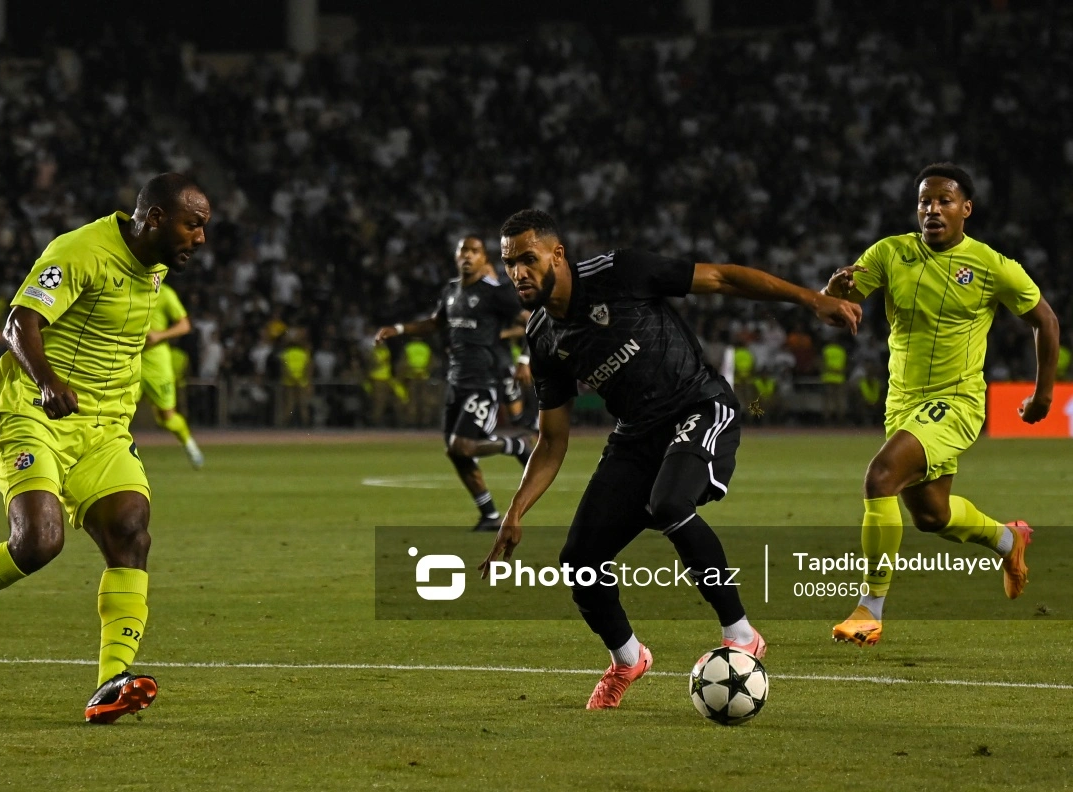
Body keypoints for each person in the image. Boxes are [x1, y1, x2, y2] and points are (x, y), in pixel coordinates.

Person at [479, 209, 861, 709]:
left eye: (527, 259)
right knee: (579, 561)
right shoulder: (543, 337)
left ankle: (742, 634)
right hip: (637, 437)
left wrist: (812, 299)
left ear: (557, 254)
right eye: (509, 263)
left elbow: (721, 277)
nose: (517, 273)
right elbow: (552, 441)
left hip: (699, 405)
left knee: (668, 504)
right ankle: (628, 658)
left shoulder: (619, 272)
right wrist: (515, 511)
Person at [0, 173, 210, 724]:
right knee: (38, 541)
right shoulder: (79, 249)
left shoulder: (155, 266)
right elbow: (20, 321)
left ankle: (112, 680)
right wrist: (46, 380)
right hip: (32, 412)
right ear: (154, 217)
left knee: (131, 529)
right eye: (193, 225)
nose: (200, 239)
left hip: (102, 428)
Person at [824, 163, 1059, 647]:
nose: (932, 209)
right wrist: (835, 292)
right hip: (902, 402)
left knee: (880, 477)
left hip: (956, 401)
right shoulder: (891, 253)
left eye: (944, 201)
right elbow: (839, 308)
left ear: (965, 209)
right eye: (925, 201)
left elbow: (1045, 320)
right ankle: (1007, 540)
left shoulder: (993, 266)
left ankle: (870, 608)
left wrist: (1044, 394)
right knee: (932, 516)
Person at [376, 235, 534, 531]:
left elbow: (532, 322)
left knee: (462, 446)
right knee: (454, 451)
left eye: (474, 251)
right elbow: (434, 324)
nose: (467, 256)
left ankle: (516, 445)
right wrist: (398, 329)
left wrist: (525, 360)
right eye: (463, 250)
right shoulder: (450, 290)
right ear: (456, 256)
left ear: (484, 259)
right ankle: (488, 515)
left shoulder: (495, 293)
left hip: (482, 382)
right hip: (455, 382)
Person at [140, 280, 204, 468]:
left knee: (167, 417)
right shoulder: (126, 286)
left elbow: (184, 325)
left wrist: (159, 335)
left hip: (156, 363)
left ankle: (189, 444)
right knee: (116, 410)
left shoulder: (165, 293)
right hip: (128, 359)